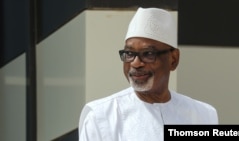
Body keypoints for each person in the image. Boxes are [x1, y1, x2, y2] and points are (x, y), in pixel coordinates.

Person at [78, 7, 218, 141]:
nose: (136, 63)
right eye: (129, 54)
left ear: (173, 59)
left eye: (148, 54)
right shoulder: (101, 117)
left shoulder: (202, 115)